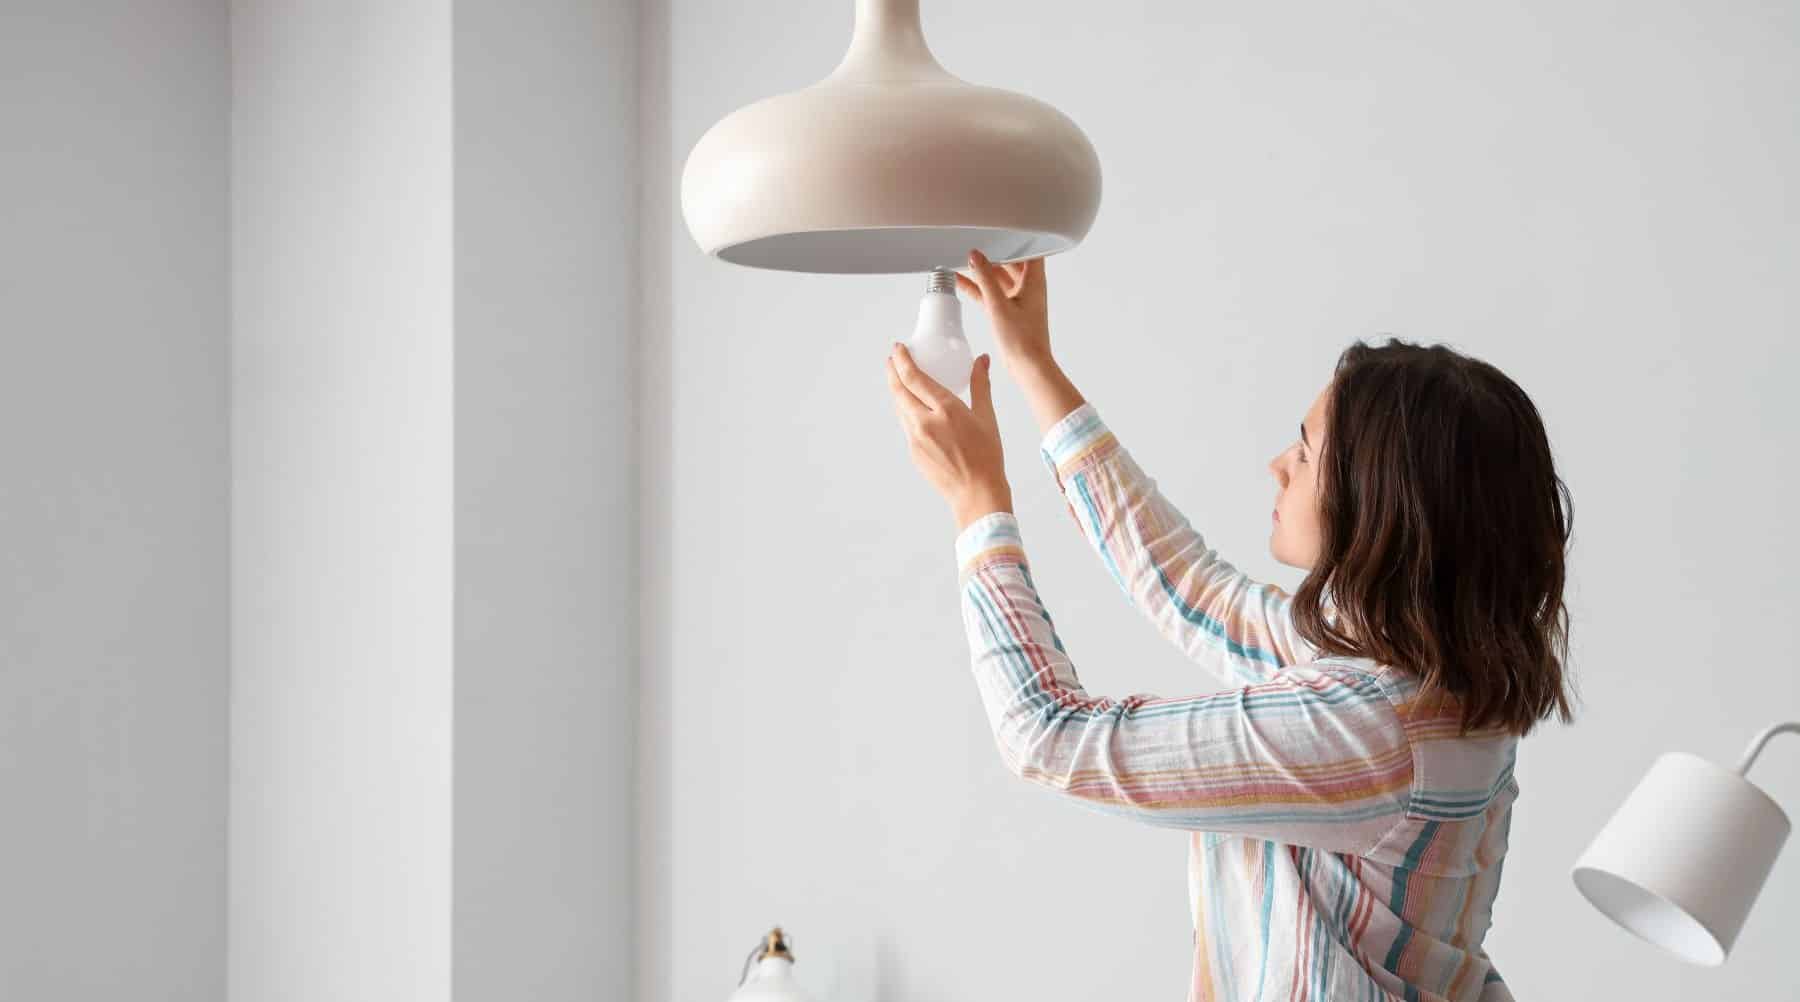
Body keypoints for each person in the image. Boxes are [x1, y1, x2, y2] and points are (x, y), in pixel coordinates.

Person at [883, 249, 1574, 1002]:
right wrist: (1031, 362)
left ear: (1383, 505)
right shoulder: (1420, 680)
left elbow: (1046, 733)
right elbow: (1190, 590)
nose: (1278, 465)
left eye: (1306, 453)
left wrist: (978, 503)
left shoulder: (1367, 728)